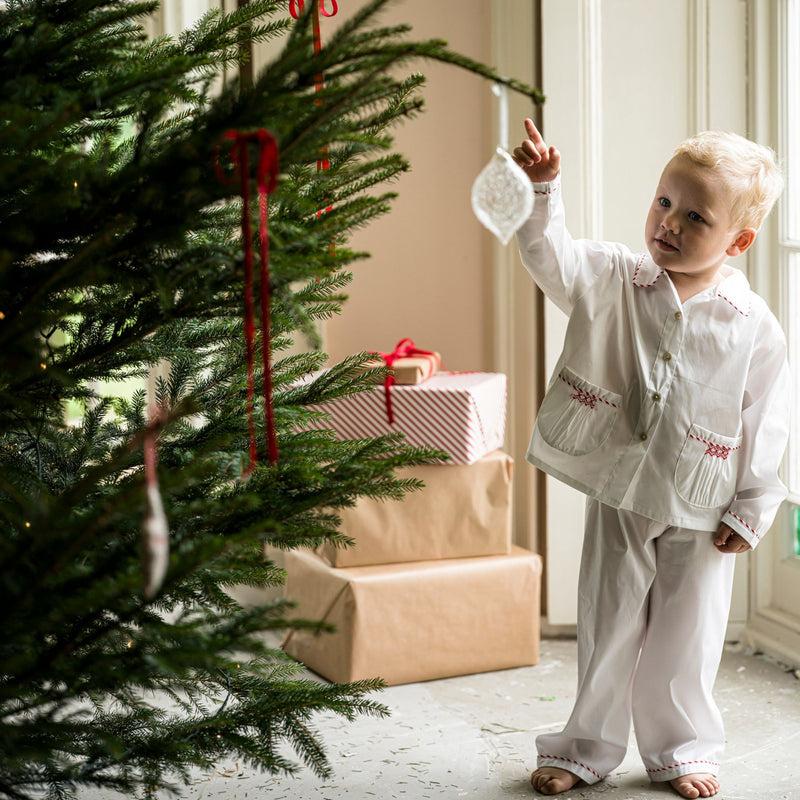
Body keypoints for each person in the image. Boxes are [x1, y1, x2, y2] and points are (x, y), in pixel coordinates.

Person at [512, 119, 790, 799]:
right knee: (607, 621)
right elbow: (550, 258)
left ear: (739, 240)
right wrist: (544, 192)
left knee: (687, 638)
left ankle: (683, 749)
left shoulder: (751, 322)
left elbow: (767, 419)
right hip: (619, 487)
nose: (669, 222)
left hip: (702, 501)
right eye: (664, 201)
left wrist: (754, 507)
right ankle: (584, 748)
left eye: (696, 216)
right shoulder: (613, 275)